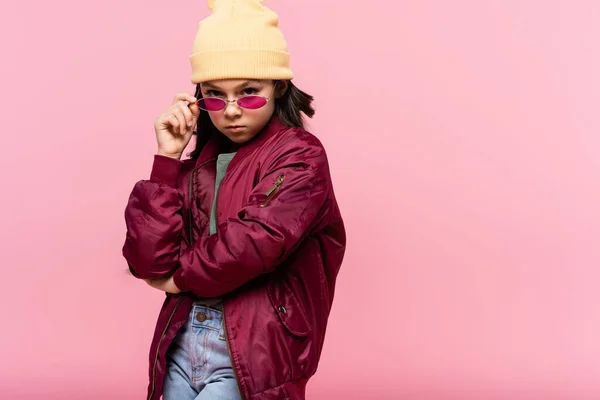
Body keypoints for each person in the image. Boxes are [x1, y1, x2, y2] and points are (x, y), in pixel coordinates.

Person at [122, 0, 346, 399]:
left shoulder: (300, 156)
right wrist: (167, 159)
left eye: (249, 93)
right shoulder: (197, 166)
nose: (230, 111)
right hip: (182, 336)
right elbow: (147, 261)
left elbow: (255, 240)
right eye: (213, 95)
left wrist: (178, 278)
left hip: (254, 343)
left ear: (278, 87)